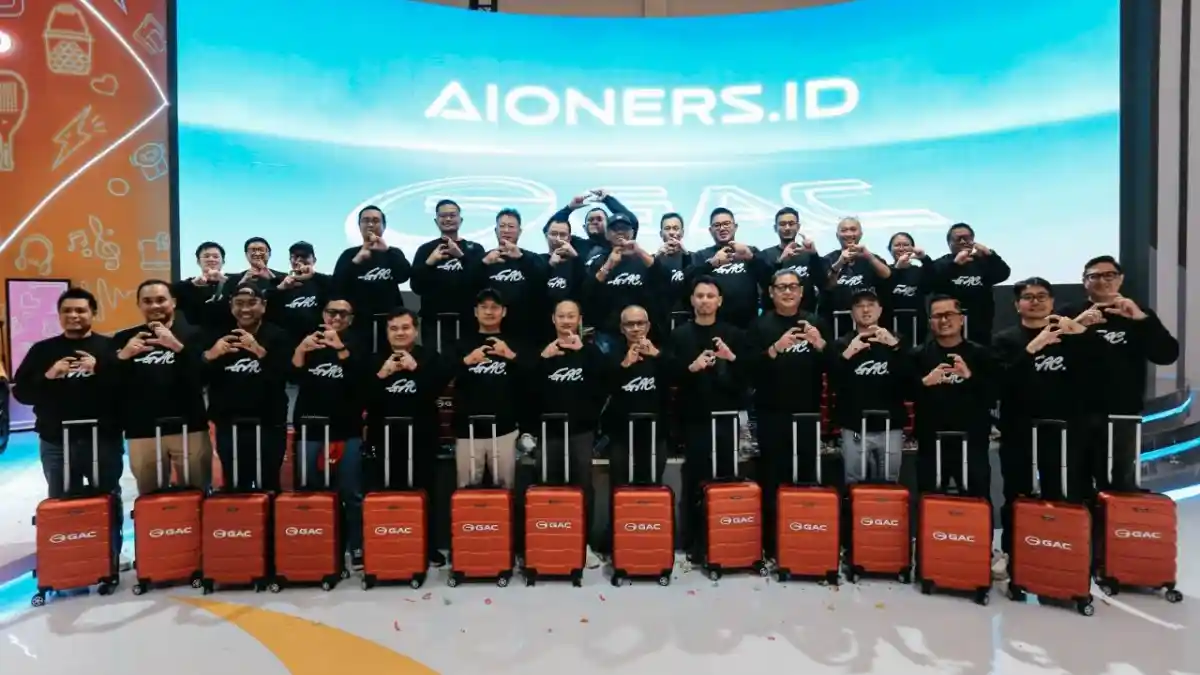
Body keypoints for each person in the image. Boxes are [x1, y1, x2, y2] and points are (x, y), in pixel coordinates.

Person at [992, 278, 1101, 578]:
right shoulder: (1005, 340)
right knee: (1017, 494)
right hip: (1019, 429)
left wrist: (1081, 333)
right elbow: (1000, 383)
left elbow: (1098, 372)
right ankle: (1012, 553)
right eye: (1028, 297)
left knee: (1065, 492)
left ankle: (1065, 551)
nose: (1035, 301)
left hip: (1066, 430)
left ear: (1052, 302)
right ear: (1017, 305)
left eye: (1042, 296)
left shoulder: (1071, 336)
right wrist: (1032, 348)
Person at [12, 288, 126, 568]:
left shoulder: (109, 347)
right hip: (56, 440)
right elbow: (22, 392)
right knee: (63, 501)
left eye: (80, 310)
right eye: (67, 311)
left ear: (93, 313)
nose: (74, 315)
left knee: (108, 498)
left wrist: (99, 369)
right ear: (59, 315)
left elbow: (127, 388)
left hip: (103, 439)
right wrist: (50, 375)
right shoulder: (42, 350)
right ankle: (72, 557)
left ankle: (112, 556)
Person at [1062, 255, 1179, 491]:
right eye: (1094, 276)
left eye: (1110, 275)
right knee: (1075, 482)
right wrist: (1078, 325)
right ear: (1084, 281)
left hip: (1123, 413)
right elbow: (1050, 356)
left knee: (1120, 484)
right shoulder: (1070, 313)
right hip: (1076, 411)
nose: (1102, 281)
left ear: (1120, 279)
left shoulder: (1137, 313)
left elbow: (1166, 355)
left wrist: (1142, 319)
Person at [746, 270, 829, 559]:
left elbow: (834, 366)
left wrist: (820, 345)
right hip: (771, 413)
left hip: (808, 414)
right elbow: (748, 370)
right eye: (781, 287)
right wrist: (774, 349)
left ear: (802, 292)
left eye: (793, 286)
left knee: (806, 476)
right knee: (772, 477)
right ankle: (771, 543)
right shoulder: (759, 325)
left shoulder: (816, 322)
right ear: (771, 292)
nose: (788, 292)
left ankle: (804, 539)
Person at [668, 277, 749, 558]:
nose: (705, 300)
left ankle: (726, 542)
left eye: (710, 296)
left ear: (720, 301)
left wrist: (731, 359)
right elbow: (669, 377)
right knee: (694, 481)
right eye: (700, 295)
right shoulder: (679, 336)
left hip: (728, 418)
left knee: (726, 480)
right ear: (692, 300)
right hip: (694, 418)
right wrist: (691, 368)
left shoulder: (734, 334)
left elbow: (747, 379)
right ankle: (693, 544)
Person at [365, 308, 451, 567]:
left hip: (422, 437)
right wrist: (382, 374)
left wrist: (416, 369)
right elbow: (363, 398)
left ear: (415, 330)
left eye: (405, 327)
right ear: (386, 332)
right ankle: (392, 545)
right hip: (384, 439)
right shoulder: (375, 359)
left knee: (426, 493)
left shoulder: (430, 357)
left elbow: (435, 391)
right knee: (387, 494)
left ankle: (428, 547)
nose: (400, 333)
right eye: (394, 328)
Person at [112, 280, 211, 495]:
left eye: (160, 300)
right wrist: (123, 356)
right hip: (142, 430)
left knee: (198, 495)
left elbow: (205, 376)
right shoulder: (124, 339)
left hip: (190, 427)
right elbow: (111, 383)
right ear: (139, 305)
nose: (155, 306)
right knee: (151, 500)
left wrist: (176, 346)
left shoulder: (196, 335)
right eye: (147, 301)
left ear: (173, 302)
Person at [291, 296, 366, 568]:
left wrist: (340, 348)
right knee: (310, 492)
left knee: (352, 493)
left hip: (347, 429)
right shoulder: (309, 340)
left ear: (351, 319)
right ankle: (317, 547)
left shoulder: (359, 342)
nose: (336, 318)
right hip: (310, 427)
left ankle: (357, 547)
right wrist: (300, 350)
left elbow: (361, 381)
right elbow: (291, 376)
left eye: (343, 314)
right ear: (323, 314)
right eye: (332, 312)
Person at [535, 299, 607, 568]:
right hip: (548, 432)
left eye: (571, 316)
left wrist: (584, 354)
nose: (566, 321)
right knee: (548, 488)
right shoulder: (542, 351)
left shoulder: (591, 352)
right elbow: (527, 389)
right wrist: (543, 360)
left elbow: (606, 384)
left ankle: (583, 544)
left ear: (579, 319)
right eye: (561, 316)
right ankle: (550, 541)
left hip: (581, 432)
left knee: (582, 488)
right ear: (553, 319)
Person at [201, 285, 291, 491]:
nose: (245, 309)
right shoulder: (218, 336)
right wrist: (210, 355)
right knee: (234, 484)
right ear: (231, 306)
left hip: (269, 423)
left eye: (252, 303)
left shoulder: (279, 336)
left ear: (264, 306)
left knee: (269, 483)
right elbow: (199, 377)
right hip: (228, 423)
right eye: (239, 304)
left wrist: (258, 350)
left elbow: (286, 375)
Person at [910, 295, 995, 498]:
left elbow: (993, 395)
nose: (944, 320)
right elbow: (904, 393)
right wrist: (924, 382)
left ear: (961, 319)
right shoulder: (917, 355)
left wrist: (969, 377)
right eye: (937, 316)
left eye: (949, 314)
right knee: (930, 500)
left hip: (972, 440)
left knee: (977, 499)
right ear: (930, 321)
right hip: (931, 441)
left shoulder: (981, 354)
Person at [450, 289, 529, 489]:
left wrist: (510, 355)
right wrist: (467, 361)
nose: (489, 312)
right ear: (475, 312)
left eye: (494, 307)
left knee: (506, 491)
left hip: (504, 429)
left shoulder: (516, 344)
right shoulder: (461, 344)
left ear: (504, 312)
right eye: (483, 307)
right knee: (466, 492)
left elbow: (531, 378)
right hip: (468, 431)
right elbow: (442, 376)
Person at [828, 289, 908, 484]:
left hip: (890, 426)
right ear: (852, 313)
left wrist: (895, 348)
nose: (865, 310)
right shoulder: (841, 345)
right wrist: (847, 355)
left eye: (870, 305)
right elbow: (832, 383)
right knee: (854, 481)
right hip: (855, 427)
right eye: (859, 306)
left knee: (890, 482)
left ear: (880, 310)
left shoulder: (898, 341)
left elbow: (910, 381)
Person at [585, 209, 667, 354]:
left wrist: (639, 252)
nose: (620, 232)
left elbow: (665, 281)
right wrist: (608, 265)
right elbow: (587, 292)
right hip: (608, 332)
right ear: (607, 234)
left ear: (632, 232)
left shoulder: (645, 259)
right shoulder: (597, 261)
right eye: (615, 229)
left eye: (624, 228)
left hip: (642, 332)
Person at [333, 205, 413, 353]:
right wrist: (356, 261)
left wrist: (387, 251)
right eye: (366, 220)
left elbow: (404, 276)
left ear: (384, 226)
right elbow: (337, 286)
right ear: (359, 226)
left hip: (391, 322)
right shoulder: (349, 254)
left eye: (376, 221)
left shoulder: (393, 252)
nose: (370, 224)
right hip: (359, 323)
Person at [410, 199, 486, 352]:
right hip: (433, 322)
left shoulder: (475, 249)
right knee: (435, 362)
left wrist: (461, 256)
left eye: (452, 215)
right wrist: (430, 262)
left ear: (460, 219)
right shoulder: (425, 249)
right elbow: (416, 286)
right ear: (436, 220)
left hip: (467, 321)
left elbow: (481, 282)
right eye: (443, 216)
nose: (448, 219)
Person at [685, 207, 772, 330]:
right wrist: (711, 264)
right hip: (712, 326)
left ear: (735, 227)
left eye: (726, 224)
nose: (722, 228)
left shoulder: (750, 251)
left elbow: (769, 280)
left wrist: (751, 258)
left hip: (748, 326)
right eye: (717, 225)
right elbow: (688, 282)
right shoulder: (701, 256)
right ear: (710, 230)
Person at [927, 223, 1011, 345]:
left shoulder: (983, 262)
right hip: (949, 322)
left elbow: (1003, 274)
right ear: (949, 243)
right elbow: (932, 284)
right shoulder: (940, 264)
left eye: (966, 238)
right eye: (958, 239)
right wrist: (955, 265)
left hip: (980, 321)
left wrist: (990, 255)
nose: (963, 242)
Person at [475, 208, 548, 346]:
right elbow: (468, 286)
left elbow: (543, 283)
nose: (506, 230)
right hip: (490, 328)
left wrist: (521, 258)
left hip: (525, 329)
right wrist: (483, 264)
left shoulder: (532, 259)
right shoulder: (484, 259)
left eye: (511, 226)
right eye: (502, 226)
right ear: (495, 230)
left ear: (520, 231)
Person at [821, 217, 892, 337]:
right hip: (835, 322)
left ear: (861, 234)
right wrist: (839, 263)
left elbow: (887, 275)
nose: (849, 234)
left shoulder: (871, 258)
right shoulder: (827, 259)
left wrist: (868, 256)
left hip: (867, 321)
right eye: (844, 230)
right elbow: (827, 285)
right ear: (837, 235)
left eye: (853, 229)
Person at [757, 207, 826, 315]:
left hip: (805, 317)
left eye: (791, 223)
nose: (787, 228)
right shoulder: (765, 255)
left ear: (798, 227)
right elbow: (765, 286)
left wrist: (814, 255)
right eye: (782, 224)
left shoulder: (808, 254)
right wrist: (780, 261)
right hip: (773, 318)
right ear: (775, 228)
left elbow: (823, 283)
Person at [266, 241, 333, 352]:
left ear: (314, 260)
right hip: (285, 344)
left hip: (318, 342)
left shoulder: (323, 282)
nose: (299, 260)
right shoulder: (277, 282)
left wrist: (313, 275)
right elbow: (262, 302)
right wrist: (281, 288)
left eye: (304, 256)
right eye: (295, 257)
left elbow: (341, 286)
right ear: (290, 260)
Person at [884, 232, 932, 346]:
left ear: (912, 248)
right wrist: (897, 269)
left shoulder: (919, 271)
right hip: (889, 325)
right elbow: (883, 291)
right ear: (889, 249)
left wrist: (924, 258)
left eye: (906, 245)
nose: (901, 248)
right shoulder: (884, 271)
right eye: (897, 245)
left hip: (916, 326)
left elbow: (932, 280)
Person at [173, 241, 233, 332]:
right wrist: (192, 284)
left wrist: (224, 280)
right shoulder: (187, 286)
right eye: (206, 256)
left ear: (223, 261)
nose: (211, 259)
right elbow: (168, 293)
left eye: (216, 256)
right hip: (195, 336)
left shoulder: (233, 281)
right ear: (198, 261)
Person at [541, 216, 585, 338]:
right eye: (553, 234)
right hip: (541, 324)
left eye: (563, 235)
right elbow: (533, 290)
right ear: (546, 236)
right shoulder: (538, 260)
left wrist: (575, 257)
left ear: (569, 238)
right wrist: (550, 266)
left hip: (570, 326)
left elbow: (587, 288)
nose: (558, 239)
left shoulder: (577, 264)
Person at [655, 212, 691, 329]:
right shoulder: (652, 260)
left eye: (676, 228)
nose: (671, 232)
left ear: (682, 233)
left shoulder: (693, 258)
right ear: (661, 234)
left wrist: (686, 254)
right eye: (667, 228)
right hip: (658, 322)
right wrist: (656, 257)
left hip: (687, 320)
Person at [221, 237, 287, 296]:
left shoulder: (284, 277)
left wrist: (272, 278)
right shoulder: (232, 279)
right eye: (253, 250)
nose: (257, 254)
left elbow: (287, 297)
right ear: (246, 255)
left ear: (269, 253)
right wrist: (242, 282)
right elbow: (227, 300)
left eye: (261, 250)